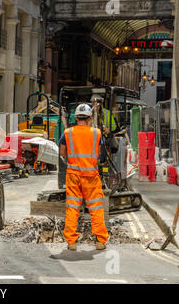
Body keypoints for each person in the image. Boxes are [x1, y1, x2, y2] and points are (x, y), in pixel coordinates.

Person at [59, 104, 109, 251]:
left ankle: (71, 242)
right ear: (89, 117)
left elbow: (63, 153)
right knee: (96, 208)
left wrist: (74, 160)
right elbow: (100, 154)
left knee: (72, 207)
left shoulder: (67, 133)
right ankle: (100, 241)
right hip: (91, 176)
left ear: (76, 117)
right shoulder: (96, 133)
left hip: (73, 175)